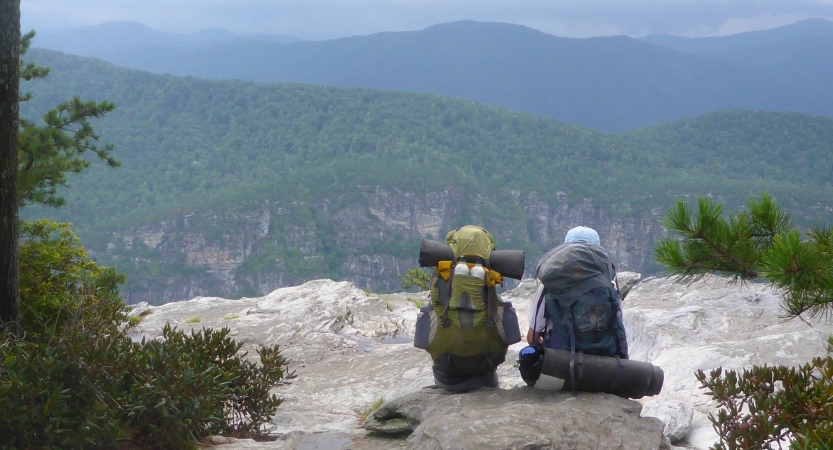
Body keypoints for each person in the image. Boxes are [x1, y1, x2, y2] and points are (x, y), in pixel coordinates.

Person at [526, 226, 628, 358]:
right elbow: (618, 327)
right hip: (605, 362)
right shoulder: (610, 286)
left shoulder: (548, 287)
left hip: (562, 361)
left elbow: (532, 337)